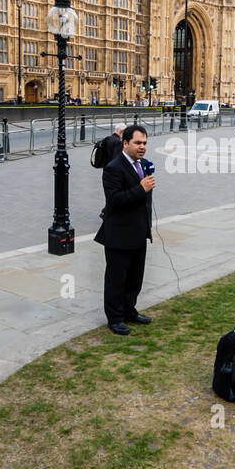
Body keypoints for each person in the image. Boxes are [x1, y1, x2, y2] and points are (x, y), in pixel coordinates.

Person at [95, 124, 154, 336]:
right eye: (138, 143)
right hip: (119, 235)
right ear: (125, 143)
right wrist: (141, 189)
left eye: (145, 143)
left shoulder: (142, 165)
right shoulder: (113, 167)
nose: (142, 147)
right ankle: (115, 318)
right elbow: (116, 200)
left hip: (138, 232)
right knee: (116, 280)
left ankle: (129, 310)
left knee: (135, 278)